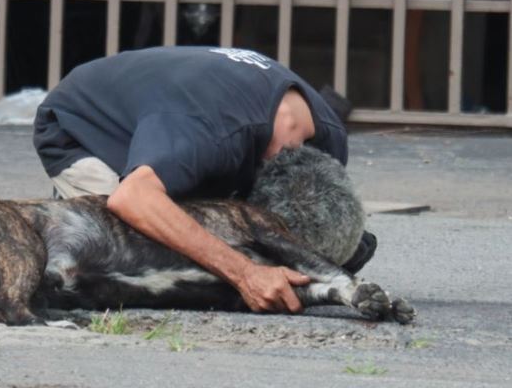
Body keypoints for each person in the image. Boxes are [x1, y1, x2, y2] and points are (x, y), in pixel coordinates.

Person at [33, 46, 375, 314]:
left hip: (177, 105)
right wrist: (245, 273)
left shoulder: (328, 140)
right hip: (82, 125)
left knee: (209, 233)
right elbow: (132, 198)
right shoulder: (205, 137)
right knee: (153, 251)